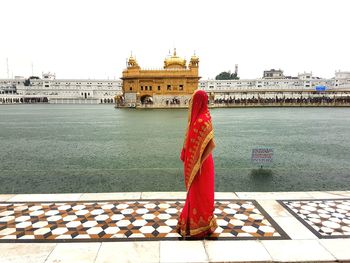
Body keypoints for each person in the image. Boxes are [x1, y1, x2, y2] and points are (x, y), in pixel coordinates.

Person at [176, 90, 217, 238]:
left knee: (200, 194)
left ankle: (199, 226)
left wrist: (198, 162)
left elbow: (212, 145)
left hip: (202, 165)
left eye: (193, 101)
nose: (191, 104)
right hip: (202, 163)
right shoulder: (203, 116)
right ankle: (194, 225)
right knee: (196, 194)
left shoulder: (201, 120)